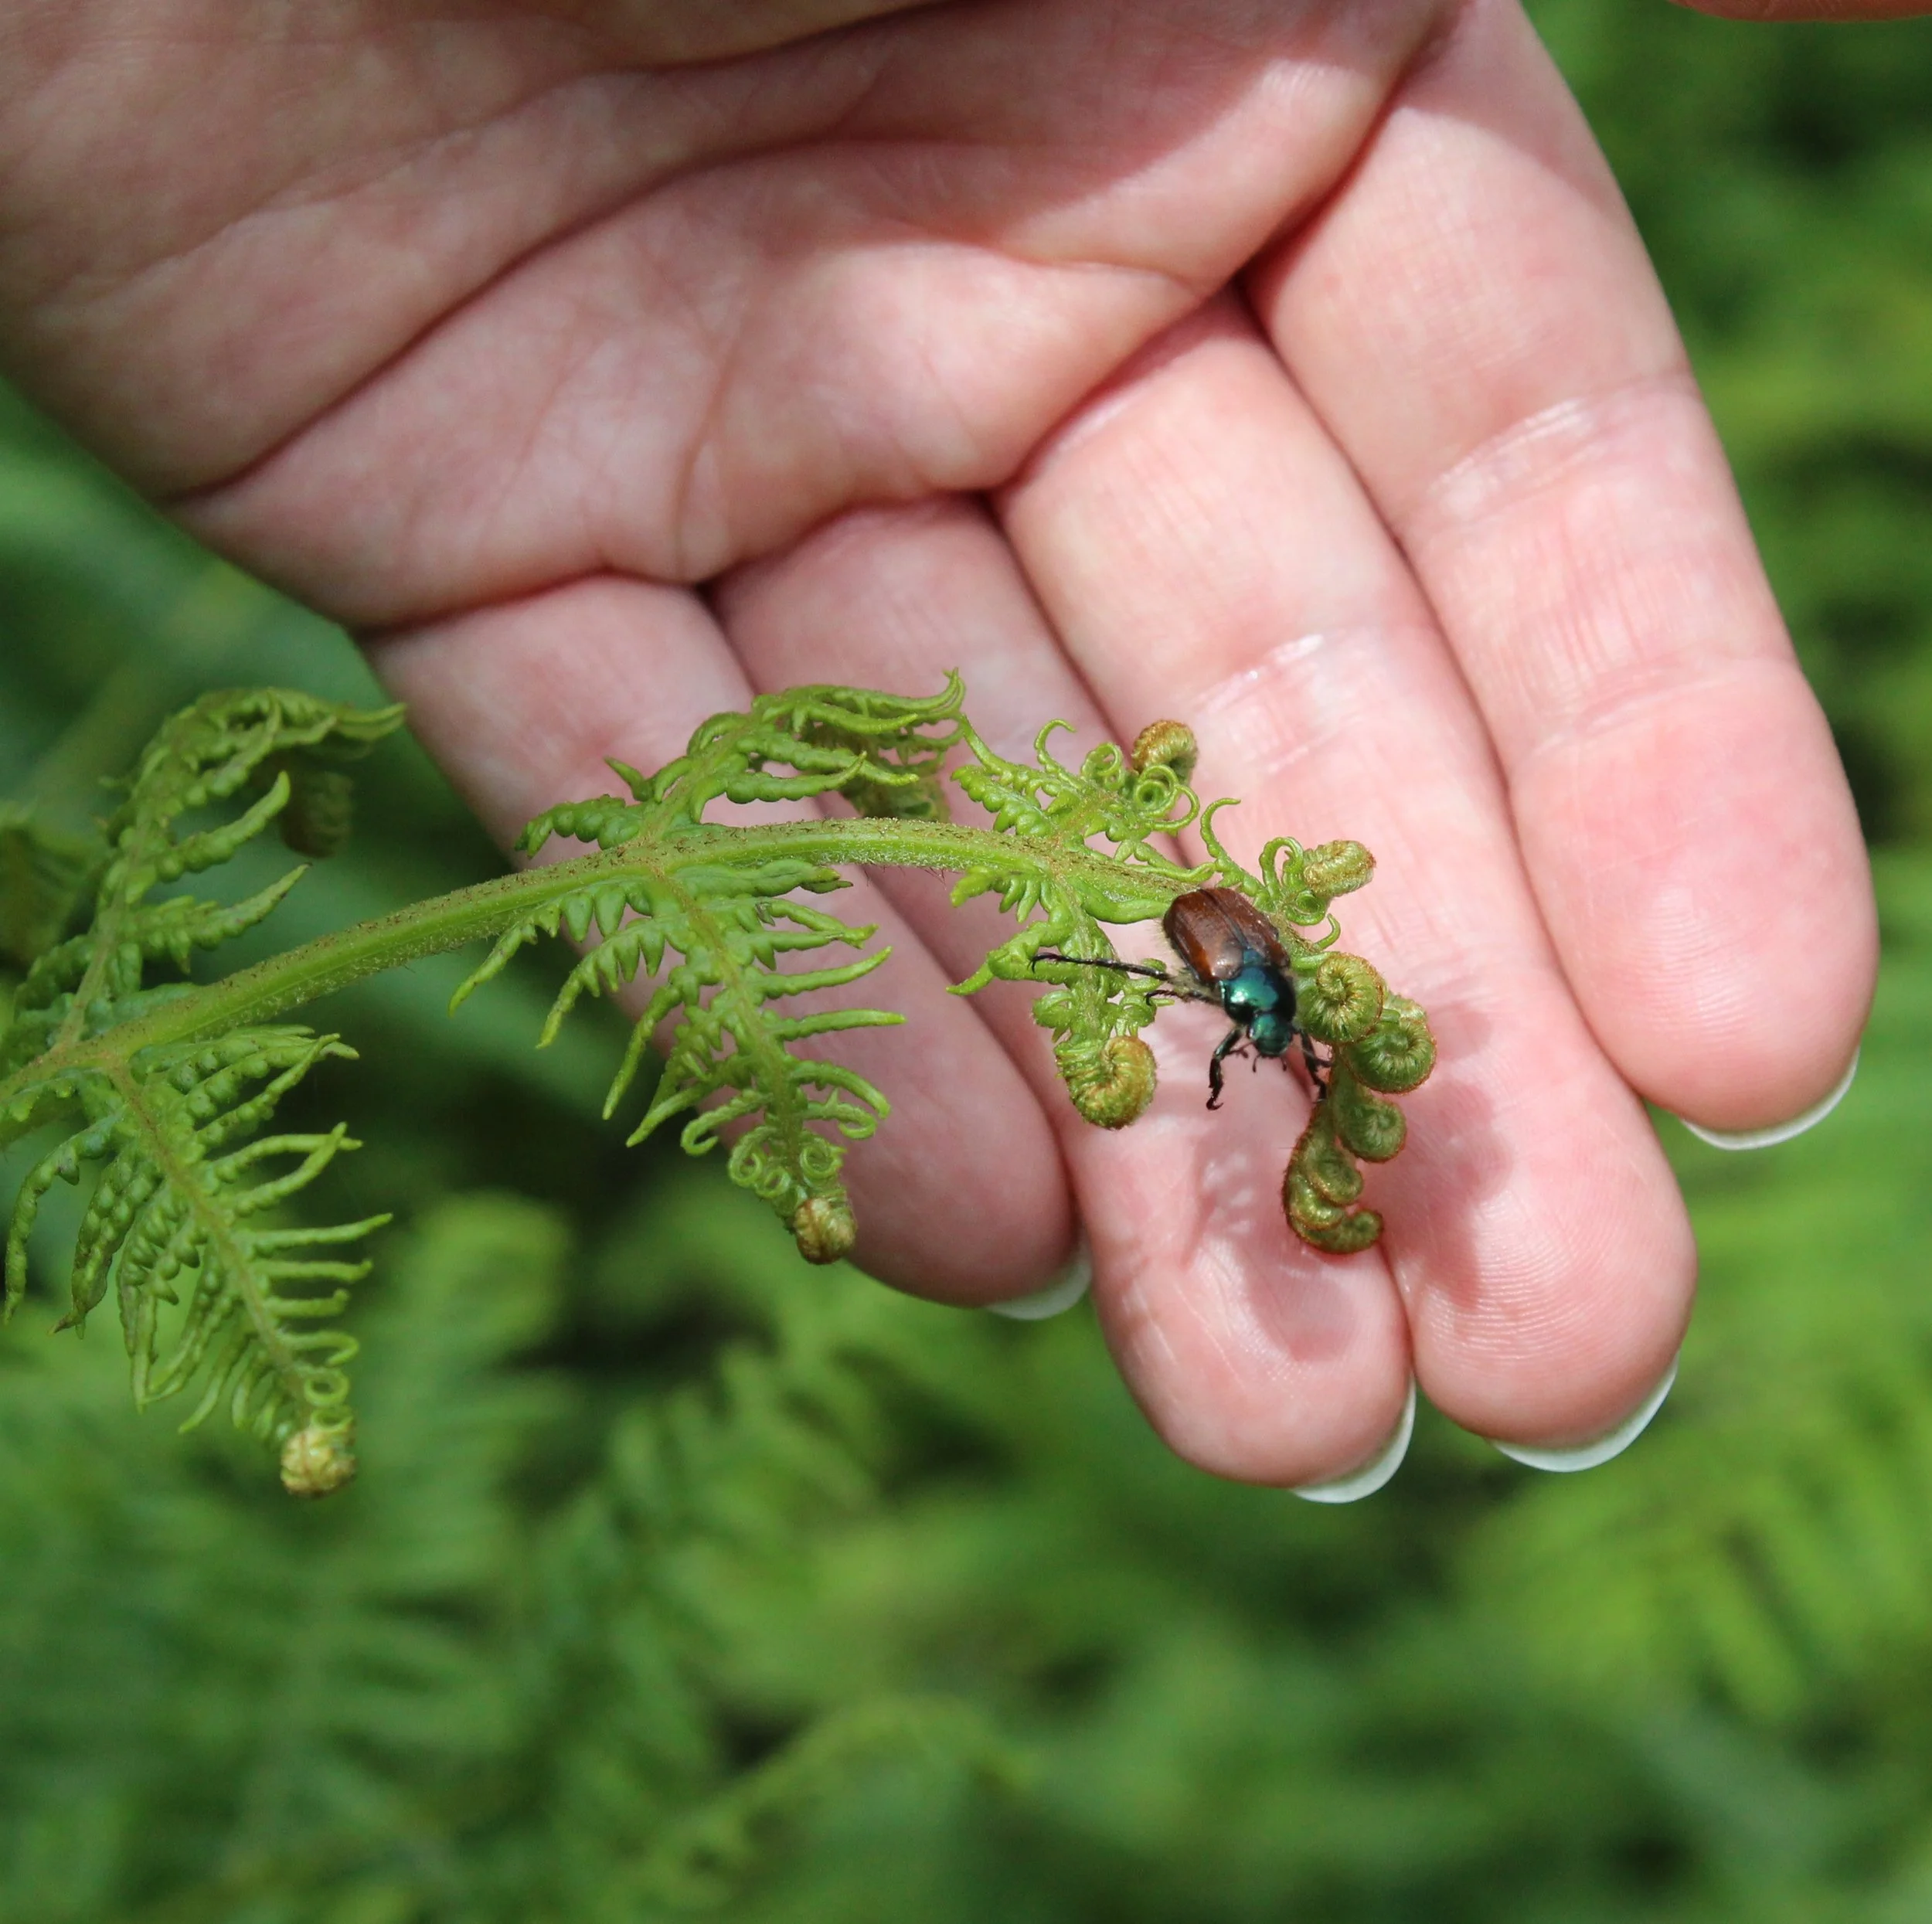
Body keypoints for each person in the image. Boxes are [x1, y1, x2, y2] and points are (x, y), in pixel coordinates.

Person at [0, 0, 1907, 1494]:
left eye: (1275, 1021)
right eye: (1275, 1024)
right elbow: (1224, 949)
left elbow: (1232, 965)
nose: (1268, 1030)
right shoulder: (1245, 970)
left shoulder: (1252, 986)